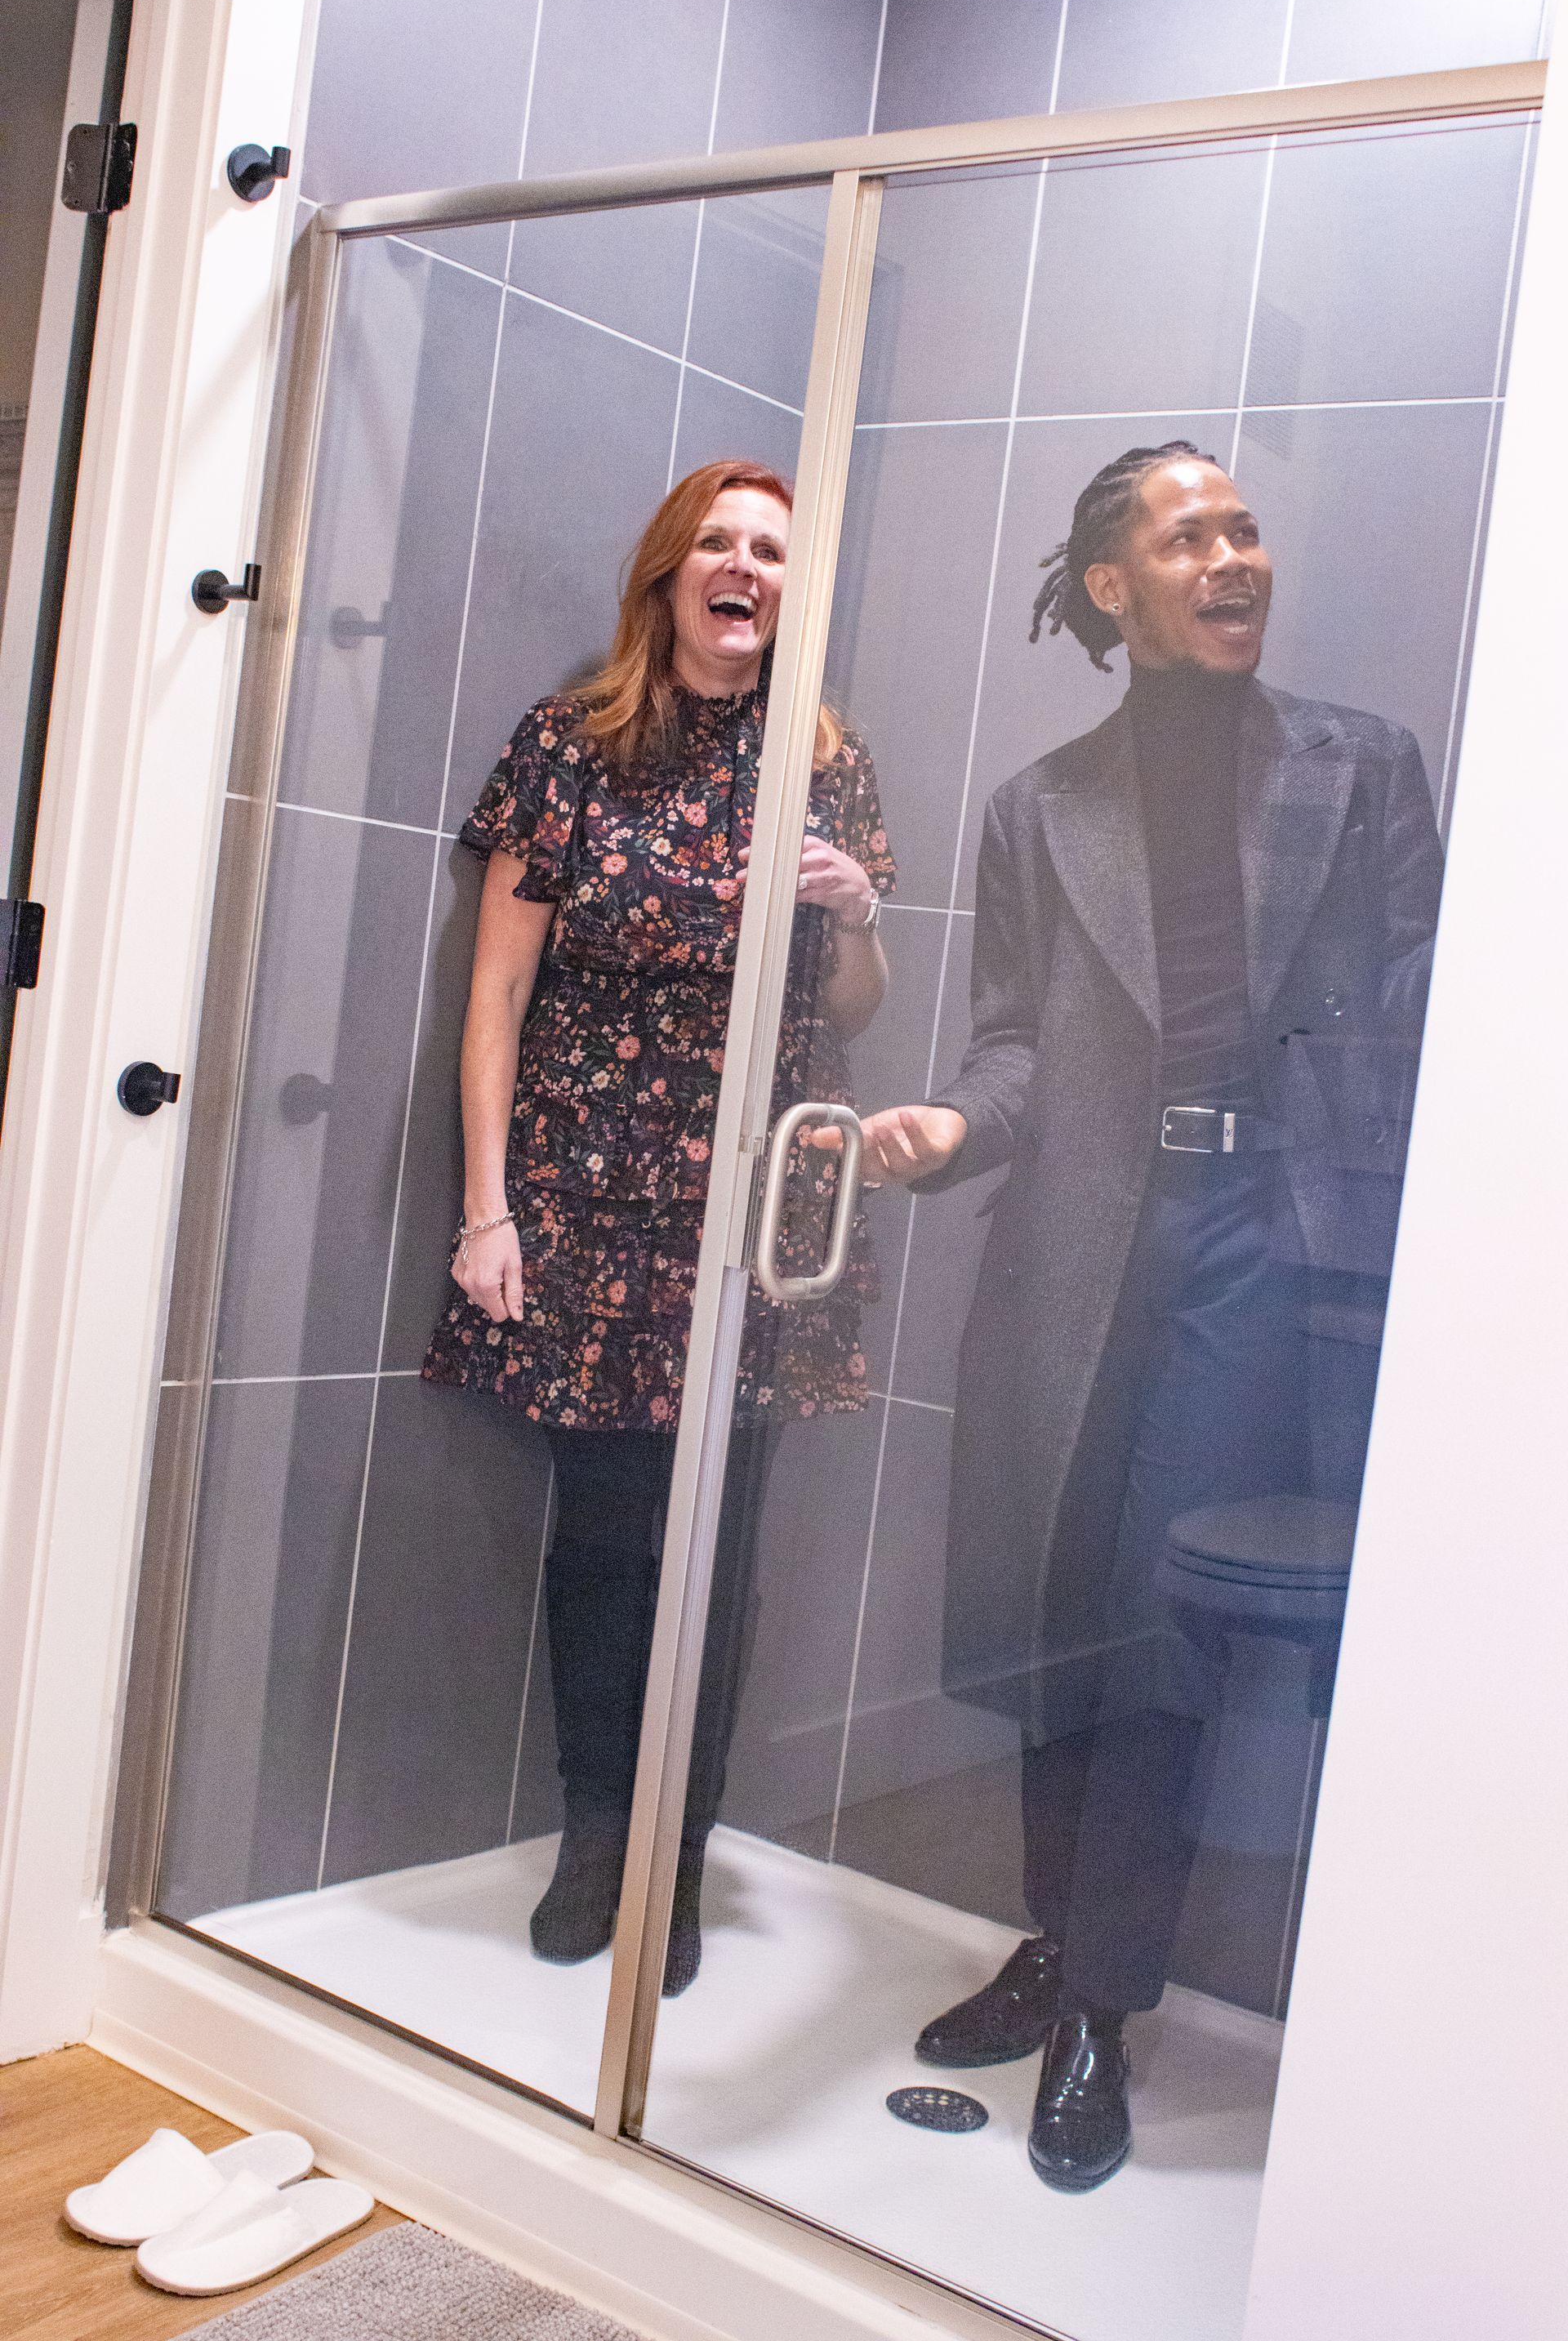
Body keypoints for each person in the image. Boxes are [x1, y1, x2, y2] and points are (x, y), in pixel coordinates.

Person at [850, 443, 1440, 2187]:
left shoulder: (1360, 765)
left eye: (1245, 528)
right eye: (1191, 537)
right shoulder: (1042, 807)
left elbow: (1416, 1017)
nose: (1234, 556)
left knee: (1154, 1625)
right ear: (1113, 587)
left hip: (1265, 1240)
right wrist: (953, 1128)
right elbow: (1021, 1044)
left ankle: (1108, 1999)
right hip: (1079, 1241)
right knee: (1056, 1603)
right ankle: (1057, 1939)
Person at [422, 460, 893, 1997]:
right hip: (584, 1186)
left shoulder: (827, 762)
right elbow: (494, 996)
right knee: (609, 1534)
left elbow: (854, 1013)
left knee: (723, 1544)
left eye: (769, 548)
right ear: (667, 575)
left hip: (756, 1214)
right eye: (719, 542)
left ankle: (677, 1860)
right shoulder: (570, 745)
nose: (742, 565)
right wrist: (484, 1207)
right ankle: (592, 1834)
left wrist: (856, 919)